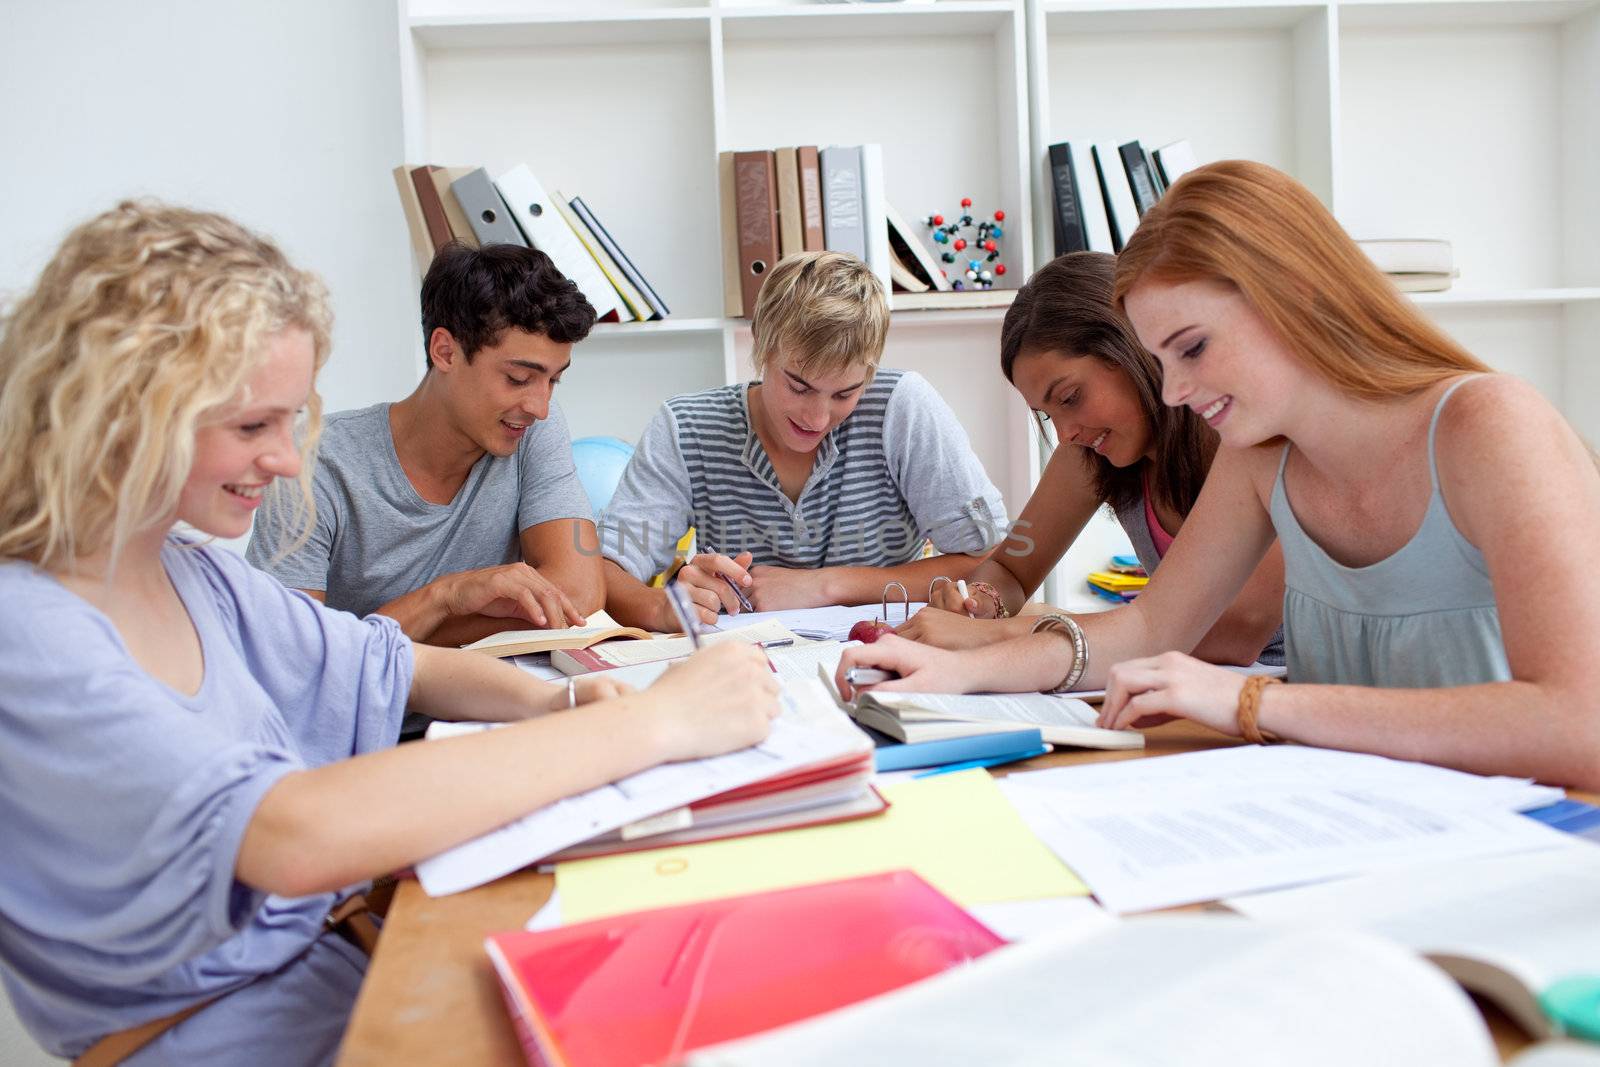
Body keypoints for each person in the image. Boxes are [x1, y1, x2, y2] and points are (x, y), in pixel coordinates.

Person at [0, 202, 780, 1065]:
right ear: (127, 408)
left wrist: (556, 698)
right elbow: (289, 833)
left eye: (290, 423)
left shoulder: (193, 572)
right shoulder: (28, 631)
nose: (290, 459)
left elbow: (382, 658)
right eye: (253, 425)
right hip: (230, 1033)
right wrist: (643, 723)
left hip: (337, 967)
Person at [837, 161, 1600, 790]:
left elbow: (1578, 724)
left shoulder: (1491, 427)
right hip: (1357, 817)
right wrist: (959, 671)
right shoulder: (1261, 454)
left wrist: (1253, 700)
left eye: (1192, 348)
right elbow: (1146, 628)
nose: (1171, 393)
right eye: (1160, 362)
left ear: (1296, 292)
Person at [898, 252, 1283, 666]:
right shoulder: (1089, 446)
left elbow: (1235, 635)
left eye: (1070, 398)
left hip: (1294, 689)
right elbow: (1010, 568)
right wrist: (981, 604)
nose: (1065, 434)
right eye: (1049, 414)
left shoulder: (1246, 433)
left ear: (1131, 349)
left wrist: (1020, 628)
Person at [599, 251, 1010, 629]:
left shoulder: (902, 407)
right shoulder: (686, 427)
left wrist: (827, 585)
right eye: (798, 386)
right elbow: (605, 570)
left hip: (890, 657)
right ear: (761, 342)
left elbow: (996, 561)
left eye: (844, 394)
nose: (816, 418)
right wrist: (666, 605)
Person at [248, 241, 603, 646]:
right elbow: (288, 653)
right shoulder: (314, 459)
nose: (540, 405)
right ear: (445, 351)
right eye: (518, 379)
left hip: (484, 700)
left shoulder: (531, 429)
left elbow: (578, 596)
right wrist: (445, 598)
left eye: (554, 380)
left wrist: (402, 635)